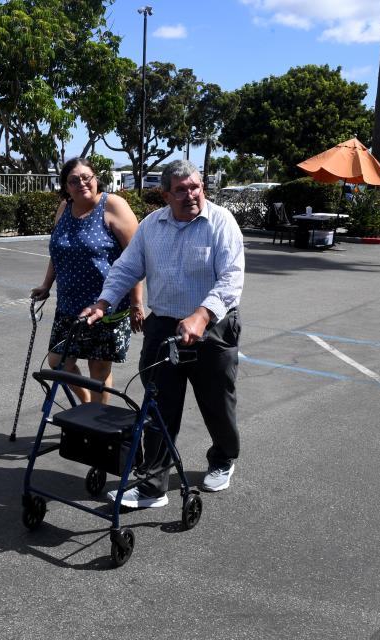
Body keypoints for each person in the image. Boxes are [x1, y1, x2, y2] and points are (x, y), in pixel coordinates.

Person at [80, 159, 244, 507]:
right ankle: (153, 484)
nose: (191, 195)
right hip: (164, 325)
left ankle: (222, 458)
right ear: (166, 194)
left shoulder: (221, 223)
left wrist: (201, 314)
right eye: (181, 190)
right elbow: (127, 268)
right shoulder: (152, 226)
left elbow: (231, 279)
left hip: (212, 326)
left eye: (196, 187)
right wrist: (104, 302)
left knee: (216, 402)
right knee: (157, 406)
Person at [31, 158, 144, 404]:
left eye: (86, 177)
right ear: (66, 186)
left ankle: (96, 426)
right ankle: (88, 405)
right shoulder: (64, 208)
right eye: (74, 180)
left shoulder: (113, 205)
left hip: (107, 305)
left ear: (95, 179)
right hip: (69, 305)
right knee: (58, 362)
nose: (81, 183)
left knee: (99, 371)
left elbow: (135, 258)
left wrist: (137, 303)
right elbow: (58, 252)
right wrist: (46, 285)